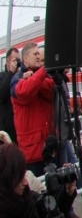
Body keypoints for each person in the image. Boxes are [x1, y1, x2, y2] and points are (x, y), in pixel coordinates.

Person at [0, 143, 79, 218]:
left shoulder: (26, 196)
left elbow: (50, 208)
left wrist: (67, 191)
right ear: (6, 180)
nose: (25, 182)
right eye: (19, 178)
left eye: (24, 175)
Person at [10, 43, 55, 177]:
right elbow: (24, 92)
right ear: (25, 59)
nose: (38, 56)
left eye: (39, 54)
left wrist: (35, 78)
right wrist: (41, 73)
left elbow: (52, 89)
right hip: (32, 152)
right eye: (35, 54)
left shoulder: (39, 76)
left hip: (48, 148)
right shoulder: (17, 78)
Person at [0, 46, 20, 143]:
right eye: (15, 60)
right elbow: (2, 95)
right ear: (8, 62)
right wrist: (11, 72)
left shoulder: (20, 77)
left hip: (18, 127)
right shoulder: (2, 76)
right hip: (6, 129)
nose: (17, 63)